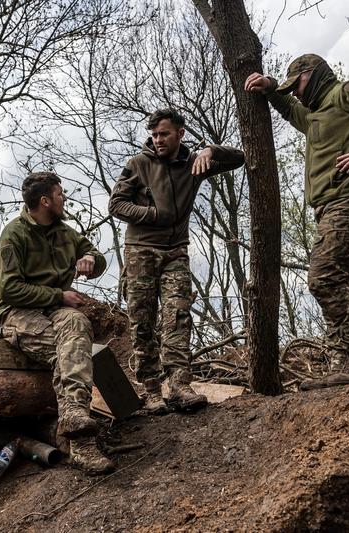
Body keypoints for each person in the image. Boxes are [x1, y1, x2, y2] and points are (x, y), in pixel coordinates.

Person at [244, 53, 349, 390]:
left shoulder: (341, 94)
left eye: (296, 86)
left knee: (323, 278)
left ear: (312, 75)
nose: (296, 94)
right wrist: (271, 88)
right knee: (338, 283)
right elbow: (288, 108)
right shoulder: (313, 114)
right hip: (329, 209)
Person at [108, 109, 245, 414]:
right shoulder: (138, 163)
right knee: (142, 322)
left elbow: (239, 158)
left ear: (180, 133)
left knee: (178, 317)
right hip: (141, 251)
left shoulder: (195, 164)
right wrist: (154, 214)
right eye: (154, 135)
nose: (158, 140)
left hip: (176, 252)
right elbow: (116, 204)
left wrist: (211, 150)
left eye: (164, 134)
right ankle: (151, 391)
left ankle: (180, 385)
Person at [0, 171, 114, 475]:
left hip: (55, 311)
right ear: (45, 201)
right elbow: (8, 289)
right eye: (60, 194)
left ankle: (73, 418)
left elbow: (97, 257)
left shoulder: (65, 233)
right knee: (70, 350)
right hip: (16, 312)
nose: (64, 198)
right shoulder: (14, 235)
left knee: (77, 325)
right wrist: (58, 295)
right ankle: (82, 446)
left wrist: (91, 259)